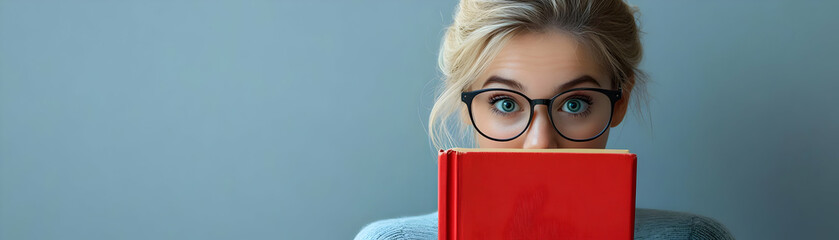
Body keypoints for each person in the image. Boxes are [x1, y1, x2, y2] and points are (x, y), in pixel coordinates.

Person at [355, 0, 734, 239]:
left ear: (620, 102)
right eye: (505, 103)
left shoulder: (690, 237)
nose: (539, 142)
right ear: (465, 105)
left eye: (574, 104)